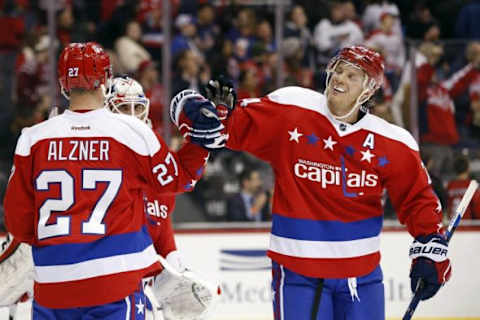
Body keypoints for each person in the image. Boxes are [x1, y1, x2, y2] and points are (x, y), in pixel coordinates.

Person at [204, 45, 451, 319]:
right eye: (338, 71)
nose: (340, 79)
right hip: (300, 272)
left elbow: (418, 199)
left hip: (363, 278)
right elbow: (234, 127)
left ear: (368, 91)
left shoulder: (394, 143)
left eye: (352, 76)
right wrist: (219, 115)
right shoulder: (292, 110)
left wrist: (430, 251)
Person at [3, 42, 223, 319]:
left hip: (52, 287)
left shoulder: (32, 139)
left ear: (62, 83)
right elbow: (178, 180)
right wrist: (200, 143)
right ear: (105, 80)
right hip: (114, 286)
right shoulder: (131, 132)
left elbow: (17, 221)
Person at [446, 155, 480, 219]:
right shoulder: (471, 186)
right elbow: (478, 210)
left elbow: (447, 207)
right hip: (468, 225)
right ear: (468, 168)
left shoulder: (450, 186)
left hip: (452, 225)